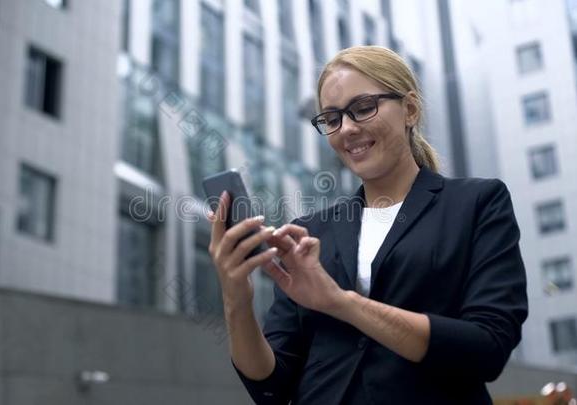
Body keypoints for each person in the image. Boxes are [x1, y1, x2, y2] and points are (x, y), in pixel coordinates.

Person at [207, 45, 528, 404]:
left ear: (410, 109)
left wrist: (342, 303)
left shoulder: (477, 204)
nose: (346, 129)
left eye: (363, 109)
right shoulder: (309, 233)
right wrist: (235, 295)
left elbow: (487, 348)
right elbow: (271, 386)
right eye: (331, 118)